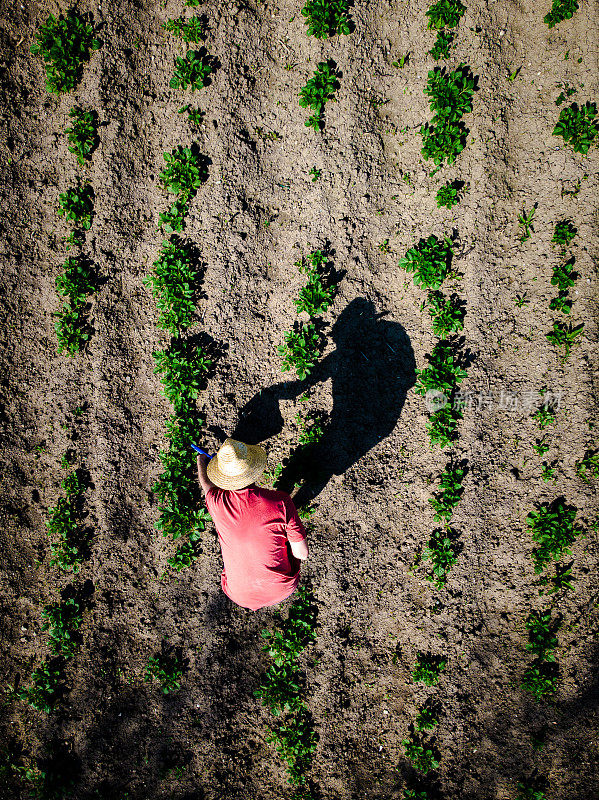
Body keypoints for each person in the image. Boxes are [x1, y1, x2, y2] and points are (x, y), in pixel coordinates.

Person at [196, 438, 309, 611]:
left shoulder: (216, 503)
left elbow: (206, 485)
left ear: (222, 476)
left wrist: (201, 461)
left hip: (237, 596)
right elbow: (301, 554)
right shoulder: (281, 501)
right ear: (253, 467)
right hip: (282, 589)